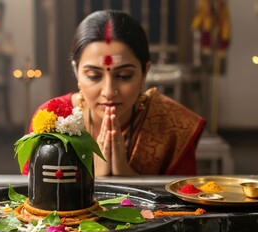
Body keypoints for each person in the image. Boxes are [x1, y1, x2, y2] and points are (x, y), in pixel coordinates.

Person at [23, 10, 206, 176]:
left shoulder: (174, 124)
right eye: (94, 76)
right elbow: (30, 199)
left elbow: (185, 206)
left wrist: (126, 175)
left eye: (125, 76)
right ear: (76, 72)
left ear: (145, 72)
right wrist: (94, 177)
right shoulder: (51, 118)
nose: (109, 92)